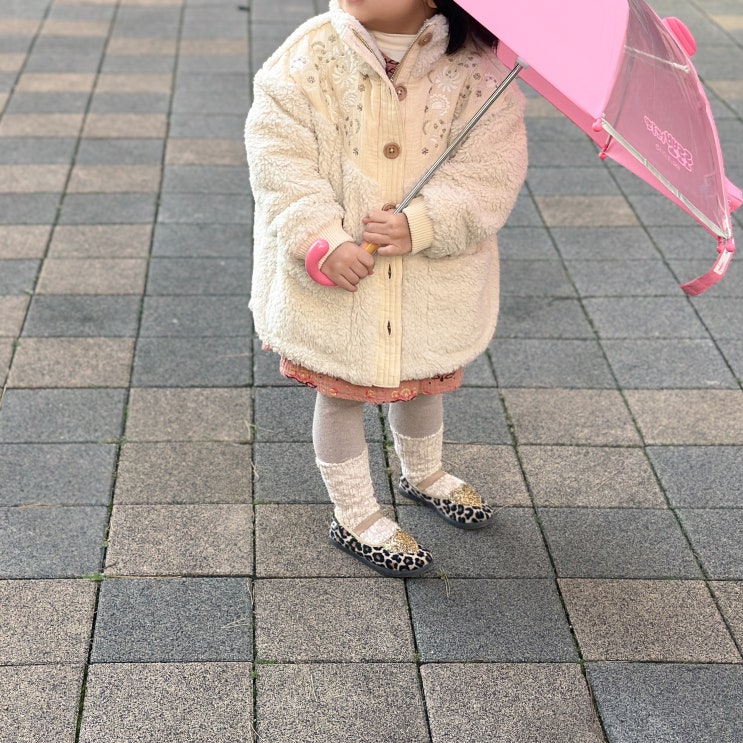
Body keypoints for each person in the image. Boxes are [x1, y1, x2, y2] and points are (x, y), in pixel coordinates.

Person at [245, 0, 527, 577]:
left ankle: (423, 473)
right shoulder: (308, 58)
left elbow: (490, 174)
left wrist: (423, 222)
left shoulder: (479, 76)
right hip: (341, 273)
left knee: (423, 381)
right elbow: (279, 160)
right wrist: (321, 238)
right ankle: (354, 513)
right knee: (342, 393)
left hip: (427, 278)